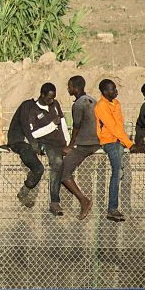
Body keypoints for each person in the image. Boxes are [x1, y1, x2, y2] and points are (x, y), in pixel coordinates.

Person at [7, 83, 69, 216]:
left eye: (53, 98)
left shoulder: (55, 105)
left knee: (57, 163)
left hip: (51, 143)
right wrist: (51, 126)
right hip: (33, 142)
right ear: (42, 95)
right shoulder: (30, 108)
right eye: (49, 98)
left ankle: (53, 202)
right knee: (39, 168)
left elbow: (62, 123)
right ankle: (25, 192)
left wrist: (67, 143)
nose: (51, 101)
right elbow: (32, 133)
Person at [94, 79, 132, 222]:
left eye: (115, 88)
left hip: (119, 141)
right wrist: (130, 144)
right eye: (112, 89)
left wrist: (125, 142)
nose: (115, 91)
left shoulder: (116, 104)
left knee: (120, 171)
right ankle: (112, 208)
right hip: (109, 142)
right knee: (117, 170)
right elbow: (112, 127)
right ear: (104, 92)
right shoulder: (101, 106)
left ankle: (115, 207)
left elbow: (119, 125)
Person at [60, 76, 97, 220]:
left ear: (75, 88)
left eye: (69, 87)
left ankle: (83, 200)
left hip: (86, 144)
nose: (68, 89)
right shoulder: (93, 100)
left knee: (63, 172)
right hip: (97, 141)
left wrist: (70, 145)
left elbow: (76, 127)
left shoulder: (78, 105)